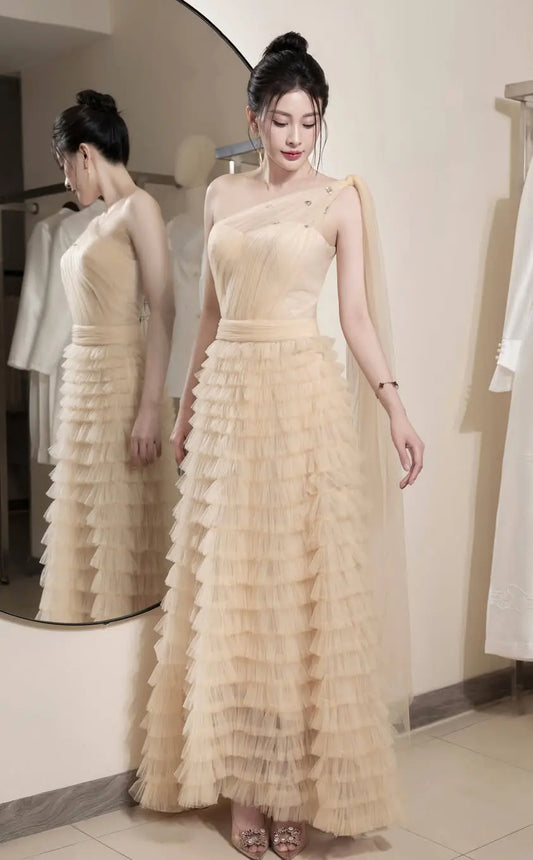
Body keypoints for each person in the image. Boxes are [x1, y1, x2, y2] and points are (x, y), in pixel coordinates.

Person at [131, 33, 424, 858]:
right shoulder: (221, 198)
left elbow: (355, 318)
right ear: (254, 119)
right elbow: (211, 316)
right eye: (281, 119)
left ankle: (288, 786)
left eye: (310, 120)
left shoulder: (340, 200)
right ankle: (243, 790)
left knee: (295, 604)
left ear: (319, 123)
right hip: (228, 399)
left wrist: (395, 406)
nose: (295, 136)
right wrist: (186, 407)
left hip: (301, 400)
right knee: (235, 595)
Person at [37, 90, 175, 623]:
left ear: (86, 153)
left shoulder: (140, 207)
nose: (68, 181)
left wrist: (148, 410)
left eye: (66, 165)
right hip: (86, 386)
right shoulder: (98, 220)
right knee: (88, 529)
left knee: (123, 529)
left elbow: (163, 312)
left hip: (122, 384)